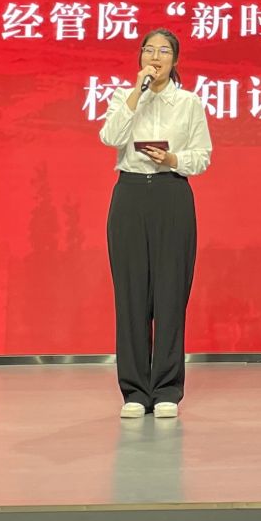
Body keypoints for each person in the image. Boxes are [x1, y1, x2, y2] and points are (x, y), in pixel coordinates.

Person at [97, 28, 212, 420]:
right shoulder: (124, 97)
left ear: (175, 60)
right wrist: (137, 93)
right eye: (149, 50)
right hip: (130, 195)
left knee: (170, 293)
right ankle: (133, 390)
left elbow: (202, 155)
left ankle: (166, 389)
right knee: (131, 295)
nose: (155, 57)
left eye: (164, 51)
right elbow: (109, 136)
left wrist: (173, 159)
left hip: (171, 193)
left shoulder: (189, 102)